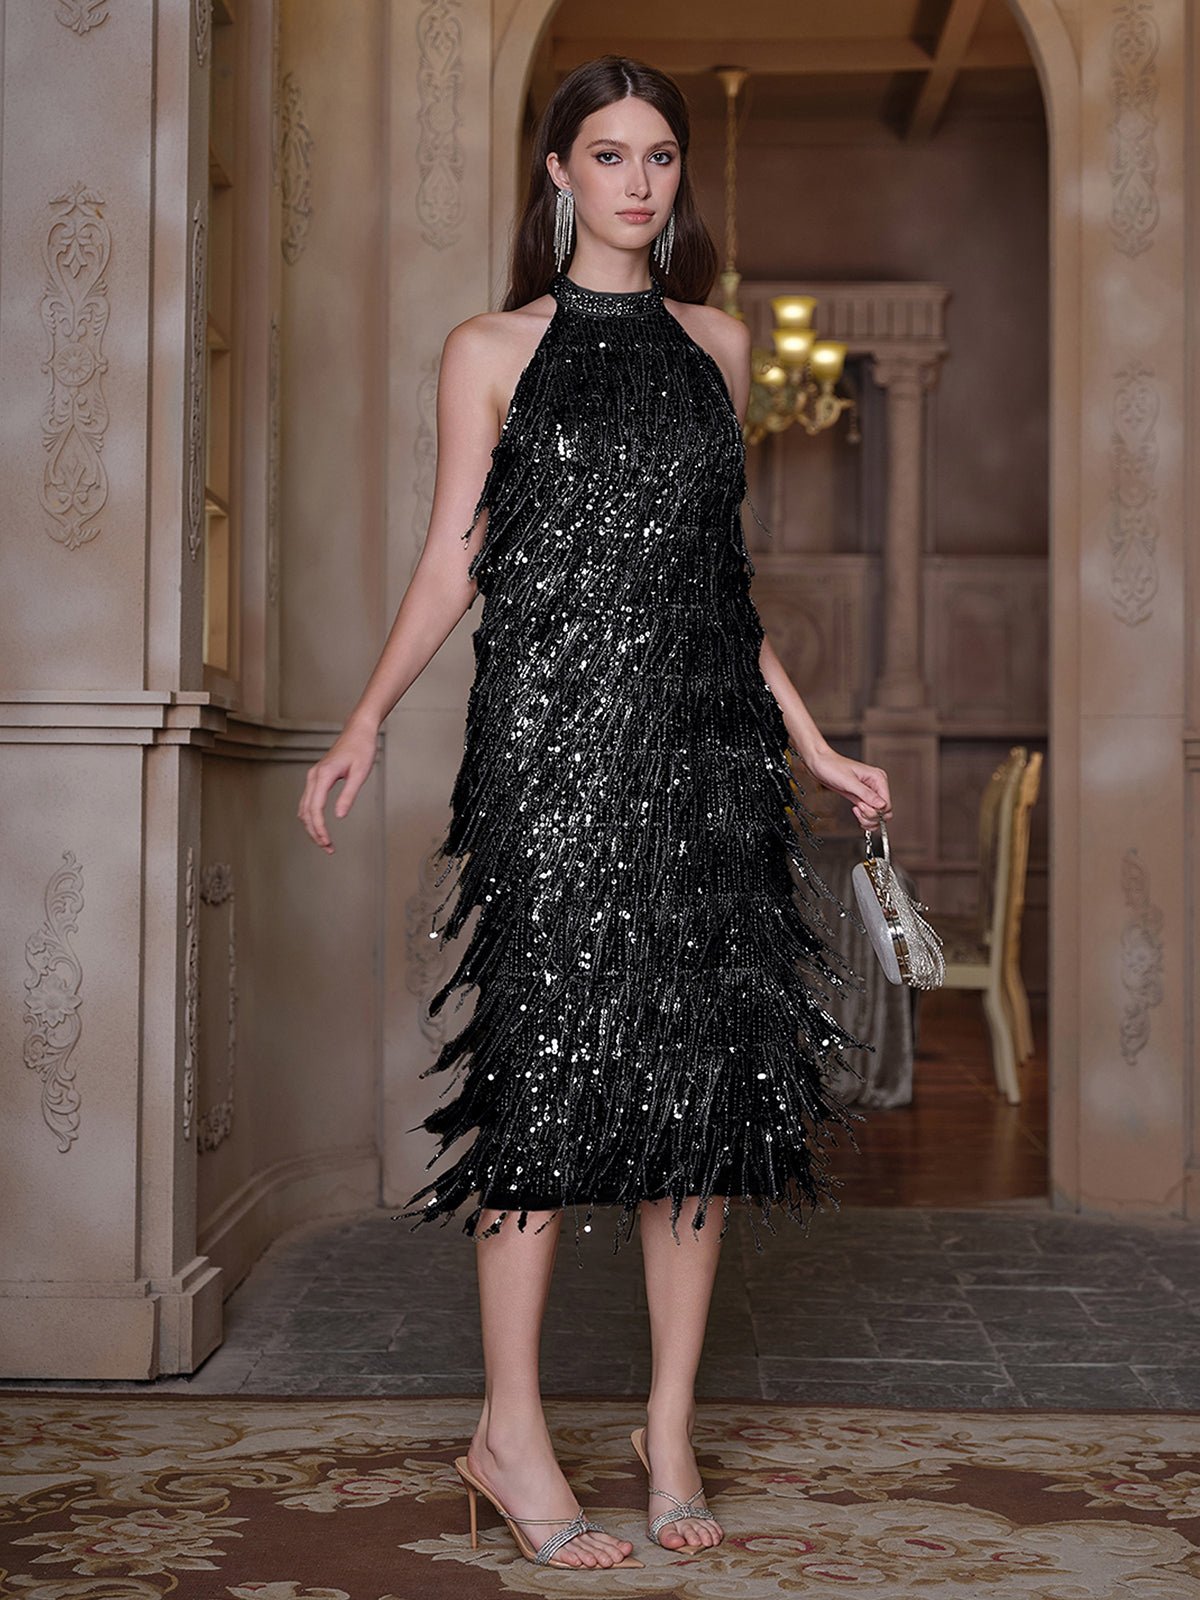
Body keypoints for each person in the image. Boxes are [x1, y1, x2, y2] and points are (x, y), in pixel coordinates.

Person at [298, 53, 891, 1574]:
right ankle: (509, 1432)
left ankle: (667, 1430)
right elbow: (457, 554)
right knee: (545, 1086)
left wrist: (814, 744)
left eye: (661, 156)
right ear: (558, 172)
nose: (638, 180)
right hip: (554, 762)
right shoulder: (489, 348)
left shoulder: (720, 345)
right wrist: (365, 717)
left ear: (681, 176)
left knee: (700, 1093)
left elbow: (719, 584)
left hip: (705, 762)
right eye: (609, 154)